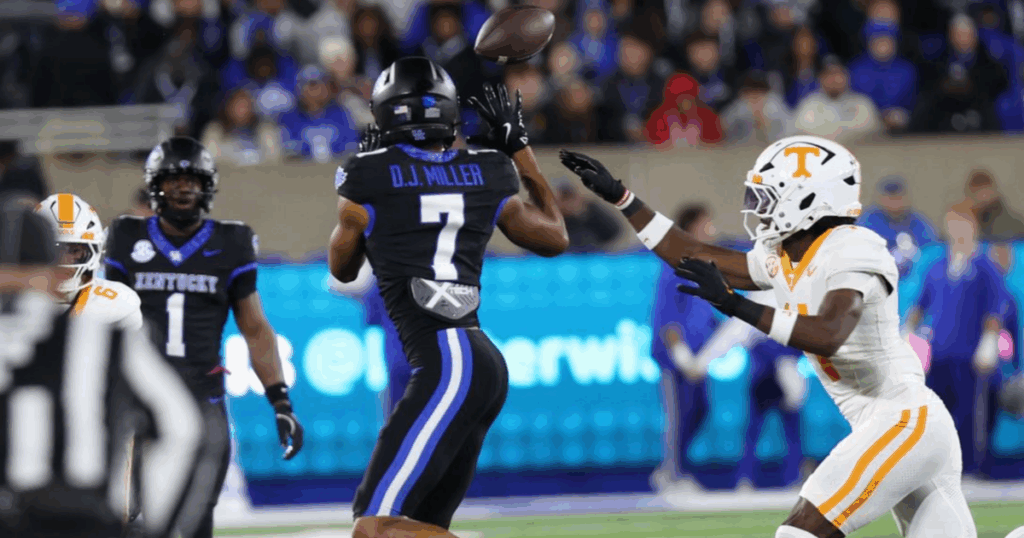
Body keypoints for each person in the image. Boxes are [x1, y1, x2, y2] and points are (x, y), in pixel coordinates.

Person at [560, 134, 975, 538]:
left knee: (799, 532)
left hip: (903, 421)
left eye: (770, 197)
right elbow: (691, 254)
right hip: (900, 424)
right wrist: (622, 199)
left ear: (809, 199)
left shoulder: (855, 249)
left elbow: (829, 333)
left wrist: (737, 305)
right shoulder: (784, 254)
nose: (759, 209)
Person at [329, 57, 568, 538]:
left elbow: (343, 267)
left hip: (445, 361)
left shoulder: (366, 176)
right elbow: (555, 237)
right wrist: (519, 149)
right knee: (417, 527)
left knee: (373, 529)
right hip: (478, 357)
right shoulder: (489, 170)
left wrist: (363, 206)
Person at [102, 136, 305, 538]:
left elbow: (255, 328)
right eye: (173, 179)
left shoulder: (231, 241)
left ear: (207, 185)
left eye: (191, 179)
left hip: (202, 402)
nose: (182, 188)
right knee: (126, 519)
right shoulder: (125, 237)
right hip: (138, 401)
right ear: (154, 185)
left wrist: (280, 400)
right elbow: (103, 317)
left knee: (195, 523)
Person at [0, 192, 203, 538]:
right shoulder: (104, 337)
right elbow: (181, 427)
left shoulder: (112, 305)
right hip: (88, 517)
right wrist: (157, 524)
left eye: (75, 251)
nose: (66, 263)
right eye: (59, 252)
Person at [904, 209, 1011, 476]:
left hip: (969, 354)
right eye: (954, 225)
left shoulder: (984, 266)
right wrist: (906, 332)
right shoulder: (938, 266)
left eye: (964, 225)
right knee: (938, 412)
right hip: (940, 352)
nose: (958, 231)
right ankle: (940, 466)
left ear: (974, 229)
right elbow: (921, 304)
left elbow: (996, 306)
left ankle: (971, 467)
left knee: (969, 413)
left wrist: (989, 342)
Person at [35, 193, 142, 330]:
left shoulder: (119, 303)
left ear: (95, 250)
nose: (64, 261)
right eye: (55, 251)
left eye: (75, 251)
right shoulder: (12, 299)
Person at [857, 175, 939, 279]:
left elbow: (932, 251)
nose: (894, 202)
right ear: (881, 199)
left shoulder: (917, 222)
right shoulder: (868, 221)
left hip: (911, 282)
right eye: (890, 198)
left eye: (898, 197)